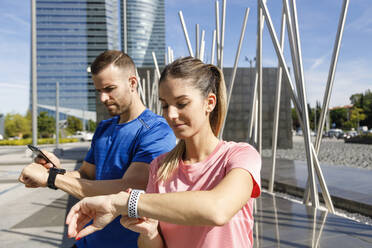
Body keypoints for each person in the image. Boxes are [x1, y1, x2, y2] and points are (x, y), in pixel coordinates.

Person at [65, 57, 262, 248]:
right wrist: (149, 233)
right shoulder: (159, 167)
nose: (171, 115)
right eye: (165, 105)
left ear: (209, 102)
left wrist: (123, 202)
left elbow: (218, 209)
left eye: (182, 103)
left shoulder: (240, 156)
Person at [18, 50, 176, 248]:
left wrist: (52, 179)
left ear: (132, 83)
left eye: (109, 89)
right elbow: (86, 174)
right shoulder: (104, 127)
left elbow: (129, 188)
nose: (103, 98)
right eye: (99, 90)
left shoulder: (156, 130)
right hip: (88, 241)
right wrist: (52, 171)